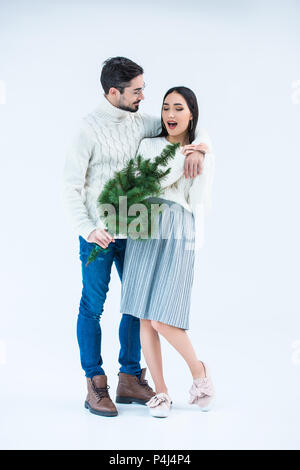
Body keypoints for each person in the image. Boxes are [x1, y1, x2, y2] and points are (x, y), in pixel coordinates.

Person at [62, 56, 211, 418]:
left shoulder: (142, 123)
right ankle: (95, 383)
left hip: (139, 229)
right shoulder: (88, 129)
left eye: (144, 89)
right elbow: (70, 187)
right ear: (114, 92)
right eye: (137, 90)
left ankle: (130, 378)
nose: (144, 96)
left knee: (137, 307)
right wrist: (88, 228)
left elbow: (182, 126)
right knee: (92, 308)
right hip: (99, 234)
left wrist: (201, 147)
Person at [119, 86, 215, 418]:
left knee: (163, 316)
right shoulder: (150, 145)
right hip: (143, 224)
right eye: (165, 108)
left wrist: (203, 151)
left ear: (192, 114)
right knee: (144, 315)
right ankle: (161, 392)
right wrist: (186, 155)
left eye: (178, 108)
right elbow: (142, 184)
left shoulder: (201, 152)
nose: (170, 115)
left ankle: (199, 371)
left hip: (178, 227)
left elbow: (197, 197)